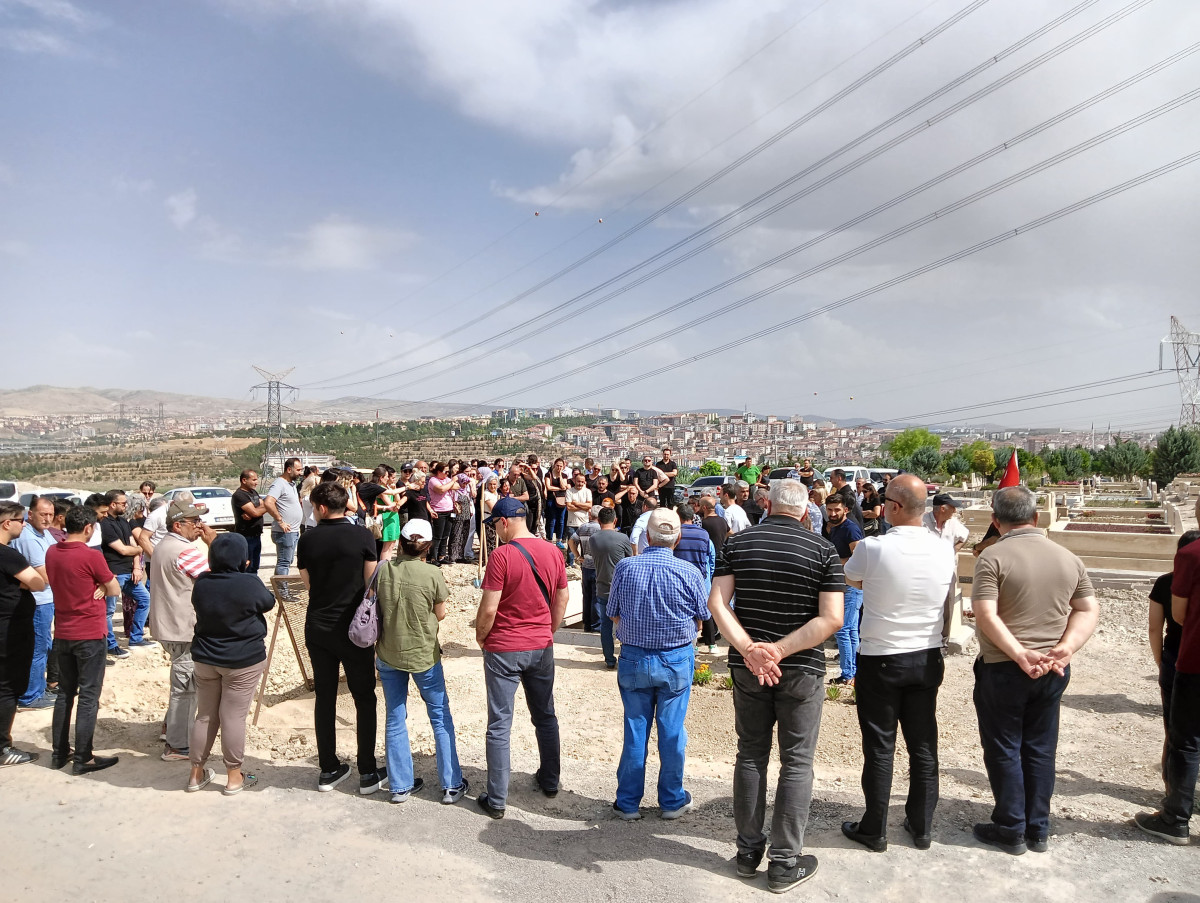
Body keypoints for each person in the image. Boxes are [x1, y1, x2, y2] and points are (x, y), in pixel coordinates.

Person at [707, 480, 843, 893]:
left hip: (749, 666)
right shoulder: (823, 551)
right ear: (806, 511)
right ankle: (784, 861)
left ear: (766, 505)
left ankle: (748, 852)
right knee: (796, 762)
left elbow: (717, 602)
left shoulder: (739, 543)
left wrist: (752, 649)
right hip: (800, 667)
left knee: (750, 754)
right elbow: (832, 618)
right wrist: (779, 651)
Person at [971, 485, 1098, 855]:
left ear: (995, 521)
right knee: (1041, 747)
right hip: (1053, 667)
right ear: (1036, 517)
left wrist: (1018, 653)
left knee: (1004, 746)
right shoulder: (1067, 557)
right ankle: (1038, 827)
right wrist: (1065, 648)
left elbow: (985, 613)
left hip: (1004, 667)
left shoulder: (992, 557)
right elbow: (1087, 609)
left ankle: (1010, 826)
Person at [839, 474, 957, 852]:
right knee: (923, 744)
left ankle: (875, 828)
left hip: (881, 657)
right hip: (925, 655)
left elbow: (851, 579)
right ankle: (921, 825)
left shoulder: (874, 548)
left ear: (894, 507)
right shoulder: (943, 548)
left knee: (879, 747)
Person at [607, 508, 710, 820]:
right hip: (675, 659)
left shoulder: (626, 567)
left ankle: (627, 802)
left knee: (635, 731)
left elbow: (613, 612)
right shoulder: (689, 573)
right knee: (672, 731)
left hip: (635, 657)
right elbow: (703, 616)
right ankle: (671, 800)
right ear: (677, 538)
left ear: (647, 537)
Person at [474, 497, 568, 818]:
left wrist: (481, 637)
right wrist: (547, 631)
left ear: (503, 522)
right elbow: (562, 598)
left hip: (503, 648)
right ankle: (550, 780)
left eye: (494, 526)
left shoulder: (501, 556)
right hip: (540, 646)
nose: (495, 533)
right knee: (545, 715)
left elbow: (488, 609)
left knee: (500, 724)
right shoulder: (554, 552)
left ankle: (497, 799)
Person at [297, 482, 384, 794]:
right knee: (364, 697)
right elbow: (371, 584)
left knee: (325, 697)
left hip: (318, 626)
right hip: (354, 629)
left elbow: (308, 584)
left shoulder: (307, 540)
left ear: (321, 508)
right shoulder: (361, 535)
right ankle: (367, 770)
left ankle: (328, 767)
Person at [375, 519, 467, 805]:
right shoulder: (432, 574)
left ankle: (400, 785)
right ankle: (451, 784)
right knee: (439, 717)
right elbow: (439, 614)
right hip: (423, 654)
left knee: (394, 717)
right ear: (427, 547)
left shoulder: (383, 569)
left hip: (389, 651)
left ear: (400, 542)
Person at [186, 532, 276, 795]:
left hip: (205, 657)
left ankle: (195, 774)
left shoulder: (202, 582)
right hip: (242, 659)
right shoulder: (248, 582)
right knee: (233, 717)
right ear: (243, 559)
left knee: (205, 715)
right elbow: (268, 603)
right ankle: (234, 777)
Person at [1136, 524, 1200, 843]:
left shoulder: (1173, 575)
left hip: (1184, 658)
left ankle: (1174, 808)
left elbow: (1163, 625)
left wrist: (1161, 663)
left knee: (1180, 736)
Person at [44, 504, 120, 774]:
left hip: (63, 632)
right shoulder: (90, 556)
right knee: (89, 696)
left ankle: (59, 753)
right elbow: (114, 587)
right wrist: (101, 584)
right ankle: (83, 757)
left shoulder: (53, 551)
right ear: (89, 528)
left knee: (65, 694)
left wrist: (100, 584)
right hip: (89, 633)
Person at [149, 499, 213, 761]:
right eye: (194, 521)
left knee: (182, 682)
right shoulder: (185, 551)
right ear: (178, 525)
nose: (200, 526)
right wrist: (214, 545)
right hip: (183, 628)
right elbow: (214, 579)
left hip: (169, 625)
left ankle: (170, 729)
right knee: (185, 689)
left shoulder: (164, 545)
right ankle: (178, 745)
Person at [1147, 531, 1200, 790]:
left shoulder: (1164, 583)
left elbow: (1154, 628)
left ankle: (1173, 792)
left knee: (1175, 731)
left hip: (1175, 657)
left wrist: (1160, 662)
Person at [0, 501, 48, 766]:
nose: (24, 524)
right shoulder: (8, 555)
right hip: (10, 631)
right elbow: (38, 581)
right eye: (20, 520)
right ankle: (3, 749)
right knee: (8, 688)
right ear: (7, 524)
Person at [13, 496, 57, 710]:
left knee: (43, 646)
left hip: (46, 599)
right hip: (38, 601)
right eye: (43, 514)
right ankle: (31, 695)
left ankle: (37, 689)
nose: (48, 519)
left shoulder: (44, 534)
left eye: (50, 514)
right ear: (30, 515)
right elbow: (45, 575)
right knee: (37, 649)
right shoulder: (29, 538)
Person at [100, 490, 153, 652]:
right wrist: (136, 550)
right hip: (115, 573)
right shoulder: (105, 525)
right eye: (123, 503)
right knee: (108, 611)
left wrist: (137, 566)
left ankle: (136, 638)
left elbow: (133, 546)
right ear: (112, 504)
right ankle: (111, 645)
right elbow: (123, 549)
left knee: (145, 600)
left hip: (130, 572)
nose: (126, 506)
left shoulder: (123, 522)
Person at [824, 494, 864, 686]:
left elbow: (859, 559)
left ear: (845, 510)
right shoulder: (836, 528)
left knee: (842, 630)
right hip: (844, 584)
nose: (832, 513)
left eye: (836, 510)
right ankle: (853, 671)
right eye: (830, 509)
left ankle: (848, 673)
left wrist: (834, 563)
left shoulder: (851, 529)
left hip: (851, 586)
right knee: (850, 631)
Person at [590, 507, 632, 669]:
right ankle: (626, 656)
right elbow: (630, 560)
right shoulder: (622, 538)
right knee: (626, 623)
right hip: (622, 589)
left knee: (605, 627)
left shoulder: (594, 539)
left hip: (602, 588)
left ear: (598, 521)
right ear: (615, 520)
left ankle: (609, 659)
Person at [672, 504, 718, 654]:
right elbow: (710, 558)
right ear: (693, 517)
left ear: (679, 517)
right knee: (704, 610)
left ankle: (692, 645)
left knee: (684, 612)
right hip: (699, 578)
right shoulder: (704, 534)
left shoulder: (677, 533)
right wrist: (708, 575)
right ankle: (712, 644)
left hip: (679, 578)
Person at [263, 457, 303, 576]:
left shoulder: (291, 484)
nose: (300, 473)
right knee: (284, 562)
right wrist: (280, 521)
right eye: (298, 470)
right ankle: (281, 592)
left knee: (288, 560)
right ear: (289, 469)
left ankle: (281, 589)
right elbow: (268, 502)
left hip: (293, 531)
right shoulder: (279, 484)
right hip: (284, 531)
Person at [569, 507, 601, 632]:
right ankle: (596, 625)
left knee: (586, 596)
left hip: (585, 566)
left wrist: (577, 556)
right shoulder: (600, 529)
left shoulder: (583, 527)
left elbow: (571, 541)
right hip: (597, 566)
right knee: (596, 597)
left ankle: (587, 624)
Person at [232, 469, 268, 574]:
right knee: (247, 567)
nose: (256, 482)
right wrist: (260, 509)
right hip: (246, 536)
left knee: (255, 566)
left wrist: (261, 508)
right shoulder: (239, 495)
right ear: (244, 480)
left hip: (256, 535)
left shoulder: (253, 492)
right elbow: (255, 513)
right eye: (254, 480)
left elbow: (263, 505)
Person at [425, 462, 456, 567]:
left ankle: (442, 555)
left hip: (449, 510)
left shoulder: (446, 480)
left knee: (445, 535)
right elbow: (441, 489)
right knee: (437, 535)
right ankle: (433, 557)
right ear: (439, 472)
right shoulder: (433, 481)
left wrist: (450, 483)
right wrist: (452, 482)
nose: (447, 474)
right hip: (439, 510)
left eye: (448, 472)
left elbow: (456, 486)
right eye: (445, 471)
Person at [563, 471, 592, 567]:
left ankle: (584, 564)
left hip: (584, 523)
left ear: (584, 482)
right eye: (578, 481)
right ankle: (570, 564)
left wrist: (575, 503)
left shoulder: (587, 491)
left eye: (582, 482)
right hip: (572, 523)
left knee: (585, 546)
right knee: (571, 546)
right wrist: (583, 506)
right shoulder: (569, 491)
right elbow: (569, 507)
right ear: (575, 480)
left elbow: (589, 506)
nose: (580, 483)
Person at [543, 458, 570, 546]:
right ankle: (550, 538)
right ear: (554, 465)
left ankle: (559, 539)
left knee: (561, 520)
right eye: (557, 465)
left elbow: (564, 486)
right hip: (552, 499)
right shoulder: (548, 475)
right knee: (552, 520)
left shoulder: (564, 475)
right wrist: (559, 488)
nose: (559, 467)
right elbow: (548, 487)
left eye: (561, 466)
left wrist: (560, 476)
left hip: (562, 500)